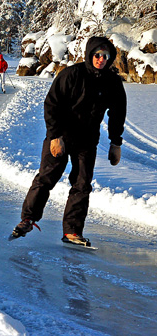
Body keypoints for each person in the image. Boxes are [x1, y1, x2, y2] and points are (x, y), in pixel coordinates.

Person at [11, 36, 127, 247]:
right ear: (90, 54)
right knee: (47, 178)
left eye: (105, 56)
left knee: (82, 184)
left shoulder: (112, 82)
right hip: (61, 135)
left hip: (87, 140)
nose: (101, 59)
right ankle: (27, 219)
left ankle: (72, 231)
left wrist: (115, 142)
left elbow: (118, 113)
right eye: (97, 55)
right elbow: (52, 105)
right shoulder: (72, 74)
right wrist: (55, 136)